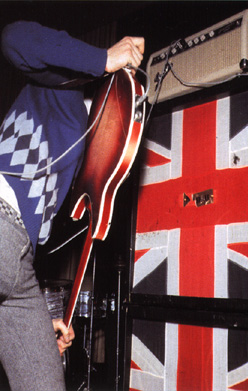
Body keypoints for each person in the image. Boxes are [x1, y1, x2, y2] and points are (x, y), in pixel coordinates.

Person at [0, 20, 144, 391]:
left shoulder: (91, 133)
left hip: (20, 263)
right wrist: (102, 58)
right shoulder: (60, 85)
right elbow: (14, 38)